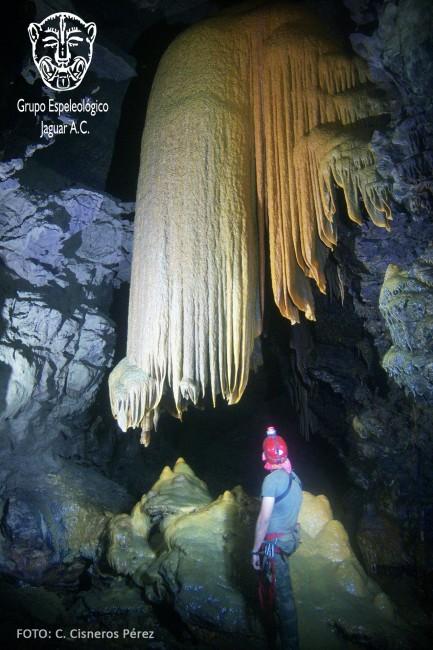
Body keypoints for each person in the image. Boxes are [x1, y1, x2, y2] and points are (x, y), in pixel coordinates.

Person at [251, 426, 302, 650]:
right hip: (289, 539)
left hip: (274, 545)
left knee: (281, 594)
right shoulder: (294, 477)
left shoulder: (271, 482)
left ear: (264, 456)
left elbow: (263, 520)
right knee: (276, 589)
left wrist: (255, 550)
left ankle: (289, 643)